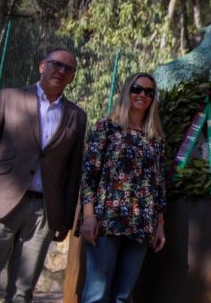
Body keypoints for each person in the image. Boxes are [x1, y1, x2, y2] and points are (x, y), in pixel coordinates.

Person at [0, 47, 87, 302]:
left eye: (68, 68)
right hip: (0, 205)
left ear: (72, 77)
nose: (61, 71)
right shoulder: (9, 97)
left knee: (23, 291)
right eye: (56, 64)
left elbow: (73, 171)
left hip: (44, 212)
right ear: (42, 66)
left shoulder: (77, 116)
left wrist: (66, 219)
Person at [79, 73, 166, 303]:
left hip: (141, 225)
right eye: (137, 89)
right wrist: (89, 216)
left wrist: (159, 224)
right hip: (107, 221)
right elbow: (89, 175)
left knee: (124, 296)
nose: (143, 95)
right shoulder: (106, 128)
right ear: (127, 91)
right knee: (97, 293)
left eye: (149, 92)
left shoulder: (155, 138)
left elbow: (158, 184)